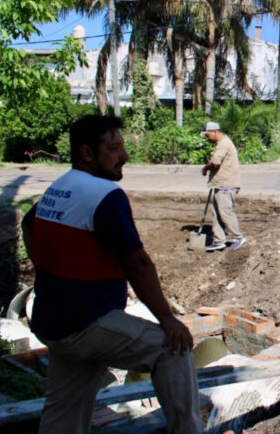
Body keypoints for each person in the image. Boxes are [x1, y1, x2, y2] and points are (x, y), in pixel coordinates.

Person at [22, 115, 202, 434]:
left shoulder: (60, 186)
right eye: (115, 147)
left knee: (63, 418)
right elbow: (138, 263)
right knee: (172, 349)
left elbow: (28, 225)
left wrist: (52, 271)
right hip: (86, 324)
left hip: (53, 322)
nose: (125, 156)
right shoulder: (105, 195)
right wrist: (168, 320)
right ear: (88, 153)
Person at [201, 121, 246, 252]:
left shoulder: (223, 144)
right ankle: (219, 241)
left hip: (227, 185)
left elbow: (215, 162)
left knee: (225, 212)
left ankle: (238, 237)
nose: (206, 138)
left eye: (207, 135)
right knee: (216, 213)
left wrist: (205, 168)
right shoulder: (222, 143)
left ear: (215, 132)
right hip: (221, 184)